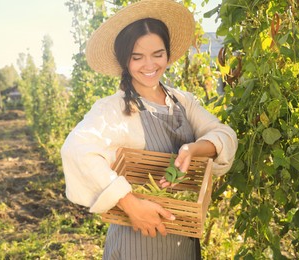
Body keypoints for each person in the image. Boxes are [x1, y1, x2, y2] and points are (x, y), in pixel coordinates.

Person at [61, 0, 238, 259]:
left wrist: (193, 149)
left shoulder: (182, 101)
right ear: (125, 60)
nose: (150, 65)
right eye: (137, 57)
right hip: (138, 238)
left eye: (158, 54)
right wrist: (130, 203)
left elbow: (224, 134)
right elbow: (76, 149)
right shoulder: (114, 108)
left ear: (167, 54)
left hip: (182, 236)